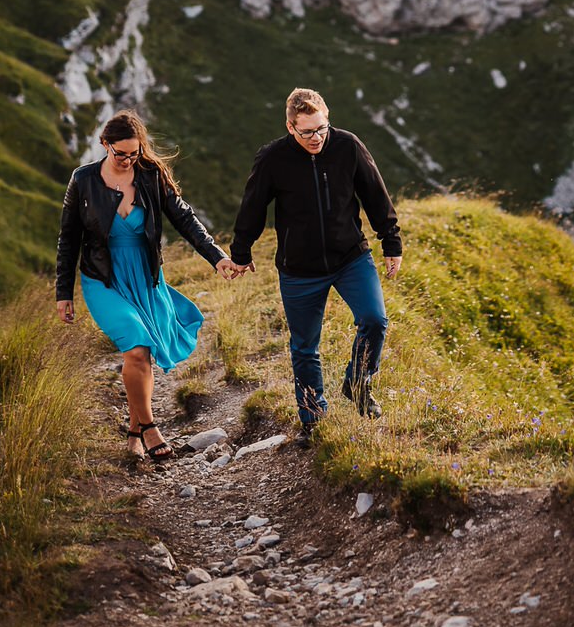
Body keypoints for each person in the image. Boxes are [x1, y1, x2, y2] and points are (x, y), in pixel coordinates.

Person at [56, 109, 239, 462]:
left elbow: (185, 219)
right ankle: (151, 428)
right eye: (120, 153)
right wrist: (63, 293)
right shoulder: (84, 180)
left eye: (134, 153)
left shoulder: (151, 176)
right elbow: (68, 238)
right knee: (137, 346)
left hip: (145, 276)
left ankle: (133, 432)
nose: (127, 160)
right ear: (104, 145)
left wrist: (217, 257)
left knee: (143, 357)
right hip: (103, 278)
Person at [228, 88, 402, 445]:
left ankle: (357, 383)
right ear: (291, 127)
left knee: (374, 320)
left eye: (321, 128)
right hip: (299, 269)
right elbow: (253, 205)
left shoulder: (347, 145)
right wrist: (241, 251)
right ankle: (313, 418)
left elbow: (375, 194)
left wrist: (391, 240)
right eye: (306, 131)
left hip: (350, 258)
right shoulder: (273, 158)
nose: (316, 138)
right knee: (305, 346)